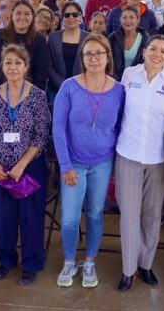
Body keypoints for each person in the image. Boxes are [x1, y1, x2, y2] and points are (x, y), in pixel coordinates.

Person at [53, 34, 125, 289]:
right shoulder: (69, 87)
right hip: (73, 163)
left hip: (102, 164)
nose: (94, 58)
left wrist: (116, 167)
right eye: (88, 54)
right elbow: (58, 128)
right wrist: (65, 166)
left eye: (99, 53)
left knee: (95, 214)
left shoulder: (119, 90)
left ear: (108, 57)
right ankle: (70, 260)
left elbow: (120, 129)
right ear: (82, 59)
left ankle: (90, 261)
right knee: (71, 219)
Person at [113, 37, 164, 291]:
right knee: (129, 214)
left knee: (152, 215)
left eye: (163, 51)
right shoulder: (128, 75)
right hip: (128, 154)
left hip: (159, 159)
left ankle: (145, 264)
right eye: (153, 48)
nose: (157, 54)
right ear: (144, 51)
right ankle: (128, 270)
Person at [0, 45, 51, 285]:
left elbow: (41, 136)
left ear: (26, 67)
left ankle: (31, 263)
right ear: (2, 66)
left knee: (31, 218)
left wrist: (21, 165)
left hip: (29, 168)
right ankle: (6, 261)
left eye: (18, 63)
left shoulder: (38, 96)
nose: (13, 67)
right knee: (3, 216)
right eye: (8, 62)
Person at [0, 0, 51, 90]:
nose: (22, 17)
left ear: (32, 17)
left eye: (26, 14)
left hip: (27, 93)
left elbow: (41, 72)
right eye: (18, 13)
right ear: (12, 16)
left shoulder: (39, 39)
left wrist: (33, 94)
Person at [48, 1, 89, 94]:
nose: (71, 18)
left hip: (82, 89)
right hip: (56, 89)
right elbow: (49, 65)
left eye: (75, 14)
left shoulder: (89, 38)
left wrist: (78, 85)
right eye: (67, 15)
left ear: (80, 17)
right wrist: (62, 84)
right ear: (62, 18)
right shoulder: (53, 37)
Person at [108, 6, 149, 80]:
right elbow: (107, 61)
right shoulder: (112, 37)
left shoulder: (145, 39)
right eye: (124, 17)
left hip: (137, 82)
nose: (128, 21)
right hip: (115, 81)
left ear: (138, 19)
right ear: (120, 20)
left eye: (131, 17)